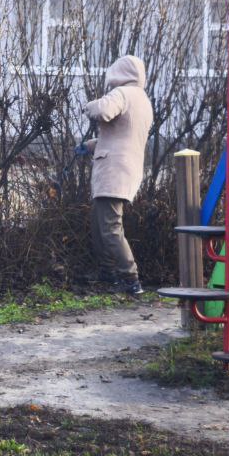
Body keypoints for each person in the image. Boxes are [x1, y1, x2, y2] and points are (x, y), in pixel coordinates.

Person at [81, 55, 153, 295]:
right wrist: (91, 145)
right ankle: (107, 274)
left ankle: (130, 279)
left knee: (111, 227)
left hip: (114, 171)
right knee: (101, 224)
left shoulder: (122, 94)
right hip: (126, 169)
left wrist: (88, 106)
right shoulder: (142, 99)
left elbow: (102, 111)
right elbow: (123, 136)